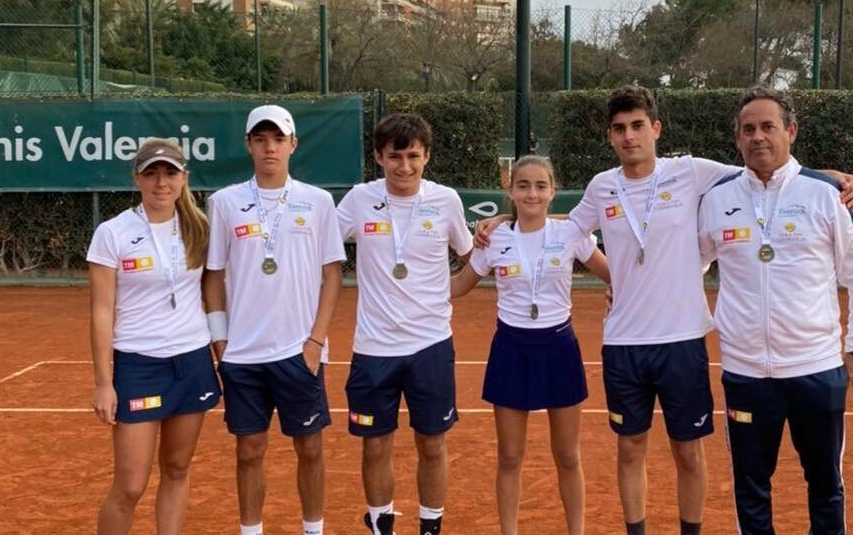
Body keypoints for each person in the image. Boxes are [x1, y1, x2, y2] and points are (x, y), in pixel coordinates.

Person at [475, 85, 853, 534]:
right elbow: (559, 227)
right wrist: (506, 220)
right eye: (620, 128)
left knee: (688, 452)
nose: (629, 136)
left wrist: (831, 177)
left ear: (656, 129)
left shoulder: (691, 172)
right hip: (624, 342)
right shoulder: (602, 187)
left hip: (682, 339)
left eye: (638, 126)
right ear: (610, 136)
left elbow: (761, 168)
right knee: (630, 449)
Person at [697, 87, 853, 535]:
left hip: (815, 368)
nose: (758, 136)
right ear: (737, 139)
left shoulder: (828, 194)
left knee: (825, 483)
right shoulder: (717, 198)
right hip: (745, 372)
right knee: (751, 486)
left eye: (768, 126)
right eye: (748, 129)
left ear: (791, 131)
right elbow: (690, 266)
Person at [203, 105, 345, 535]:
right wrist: (220, 342)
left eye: (278, 139)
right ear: (248, 144)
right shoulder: (224, 203)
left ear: (292, 145)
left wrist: (315, 341)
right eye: (261, 139)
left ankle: (313, 530)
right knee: (248, 452)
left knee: (310, 450)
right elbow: (213, 276)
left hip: (298, 351)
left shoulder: (318, 202)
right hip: (242, 355)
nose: (270, 148)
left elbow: (332, 275)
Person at [450, 155, 611, 535]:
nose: (532, 194)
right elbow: (458, 285)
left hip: (559, 349)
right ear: (510, 191)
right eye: (523, 186)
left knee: (568, 456)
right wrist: (408, 282)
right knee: (509, 456)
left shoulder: (570, 234)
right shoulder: (494, 238)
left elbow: (614, 273)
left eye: (541, 186)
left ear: (553, 191)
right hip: (511, 349)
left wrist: (620, 288)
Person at [336, 113, 473, 535]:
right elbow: (316, 247)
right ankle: (381, 524)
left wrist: (444, 292)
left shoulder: (446, 200)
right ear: (379, 156)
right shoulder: (358, 200)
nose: (405, 166)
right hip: (373, 349)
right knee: (375, 446)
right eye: (395, 156)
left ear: (427, 156)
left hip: (431, 346)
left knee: (432, 443)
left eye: (413, 156)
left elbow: (474, 257)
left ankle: (430, 527)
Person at [88, 138, 220, 535]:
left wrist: (223, 354)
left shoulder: (200, 227)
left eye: (170, 173)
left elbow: (215, 294)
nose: (161, 183)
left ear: (184, 178)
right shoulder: (112, 233)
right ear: (137, 178)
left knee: (177, 469)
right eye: (152, 173)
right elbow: (101, 311)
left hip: (193, 362)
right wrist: (104, 383)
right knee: (130, 486)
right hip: (139, 367)